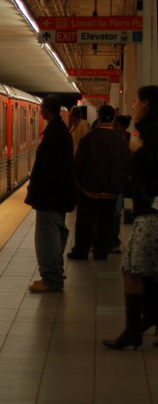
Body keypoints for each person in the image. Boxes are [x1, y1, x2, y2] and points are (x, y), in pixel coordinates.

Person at [103, 85, 158, 349]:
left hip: (152, 211)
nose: (132, 105)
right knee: (148, 270)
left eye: (135, 100)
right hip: (148, 208)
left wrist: (138, 150)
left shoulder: (151, 131)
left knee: (132, 268)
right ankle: (145, 323)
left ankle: (134, 330)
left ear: (146, 102)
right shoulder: (148, 128)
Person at [24, 94, 77, 292]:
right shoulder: (60, 131)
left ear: (46, 110)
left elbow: (49, 169)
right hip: (58, 196)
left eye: (41, 108)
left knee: (47, 238)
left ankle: (51, 279)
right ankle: (54, 275)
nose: (40, 111)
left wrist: (37, 191)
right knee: (56, 234)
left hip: (50, 197)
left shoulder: (54, 133)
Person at [67, 105, 131, 261]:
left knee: (85, 222)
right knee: (106, 222)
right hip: (111, 191)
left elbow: (79, 162)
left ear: (99, 116)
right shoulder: (121, 140)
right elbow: (127, 164)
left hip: (90, 189)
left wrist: (77, 181)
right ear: (113, 119)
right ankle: (101, 252)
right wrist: (119, 185)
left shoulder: (90, 138)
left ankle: (81, 251)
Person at [111, 115, 133, 253]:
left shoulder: (131, 139)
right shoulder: (112, 138)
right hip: (115, 181)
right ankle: (112, 241)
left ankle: (116, 241)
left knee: (124, 211)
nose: (114, 126)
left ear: (124, 127)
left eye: (117, 124)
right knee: (115, 212)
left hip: (128, 183)